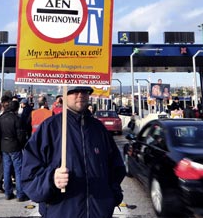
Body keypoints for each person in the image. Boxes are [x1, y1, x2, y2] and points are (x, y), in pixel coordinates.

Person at [21, 86, 125, 218]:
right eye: (74, 91)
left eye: (85, 91)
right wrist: (51, 179)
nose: (80, 94)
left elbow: (116, 167)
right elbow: (29, 176)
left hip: (100, 212)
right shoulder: (49, 128)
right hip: (61, 212)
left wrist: (113, 195)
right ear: (63, 95)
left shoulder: (99, 129)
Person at [0, 100, 28, 201]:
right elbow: (21, 136)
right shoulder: (17, 119)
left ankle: (8, 193)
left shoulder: (1, 118)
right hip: (15, 146)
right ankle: (20, 194)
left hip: (4, 145)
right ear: (16, 108)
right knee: (18, 170)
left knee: (6, 170)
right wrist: (22, 145)